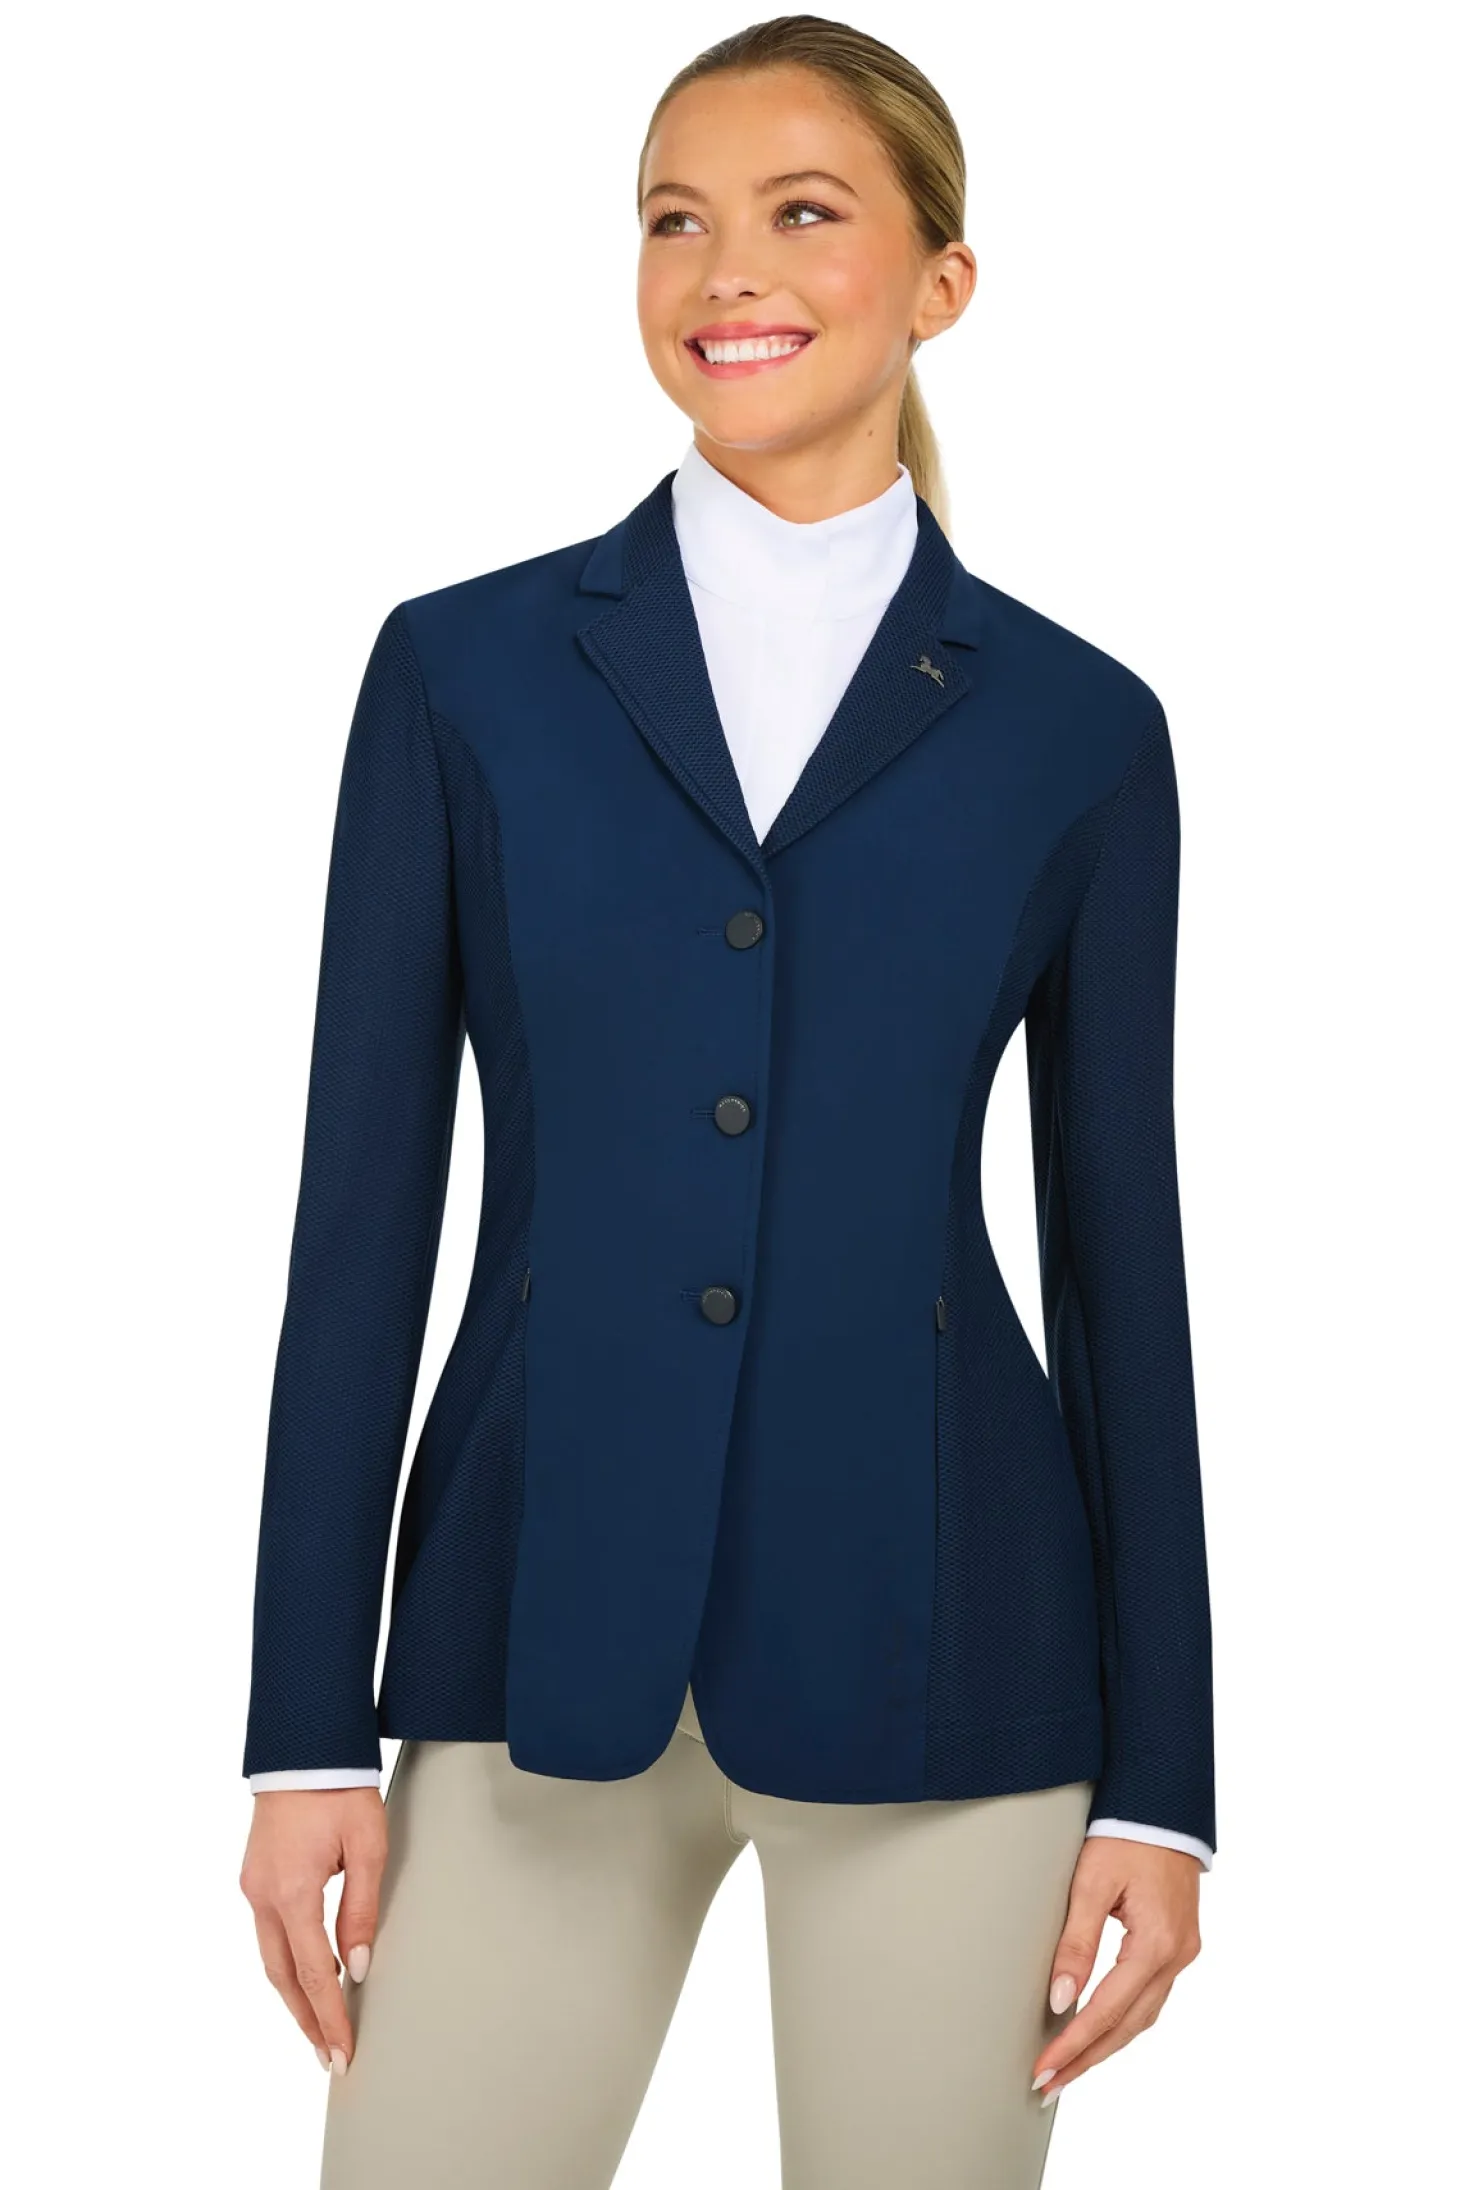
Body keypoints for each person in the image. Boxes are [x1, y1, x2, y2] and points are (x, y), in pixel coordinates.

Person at [239, 16, 1213, 2187]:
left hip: (953, 1652)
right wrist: (302, 1727)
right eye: (674, 218)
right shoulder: (464, 673)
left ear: (941, 281)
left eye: (800, 212)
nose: (724, 269)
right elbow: (357, 1222)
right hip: (528, 1630)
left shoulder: (1078, 730)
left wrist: (1167, 1781)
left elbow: (1121, 1269)